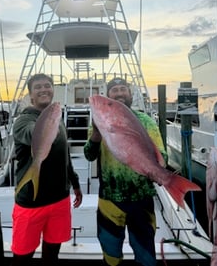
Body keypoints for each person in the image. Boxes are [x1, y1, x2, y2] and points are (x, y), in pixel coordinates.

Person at [84, 77, 168, 266]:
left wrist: (157, 170)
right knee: (111, 254)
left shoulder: (146, 121)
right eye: (115, 91)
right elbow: (89, 155)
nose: (120, 93)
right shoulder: (99, 123)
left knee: (145, 254)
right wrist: (96, 135)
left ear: (130, 94)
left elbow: (162, 156)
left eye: (123, 89)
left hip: (142, 199)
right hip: (109, 199)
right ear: (109, 96)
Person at [11, 73, 83, 266]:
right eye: (38, 87)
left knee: (52, 253)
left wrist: (75, 183)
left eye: (47, 85)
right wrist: (48, 122)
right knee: (22, 256)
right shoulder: (23, 121)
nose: (44, 89)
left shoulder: (56, 120)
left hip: (59, 199)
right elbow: (30, 134)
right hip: (31, 202)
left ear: (53, 89)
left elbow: (65, 157)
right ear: (31, 95)